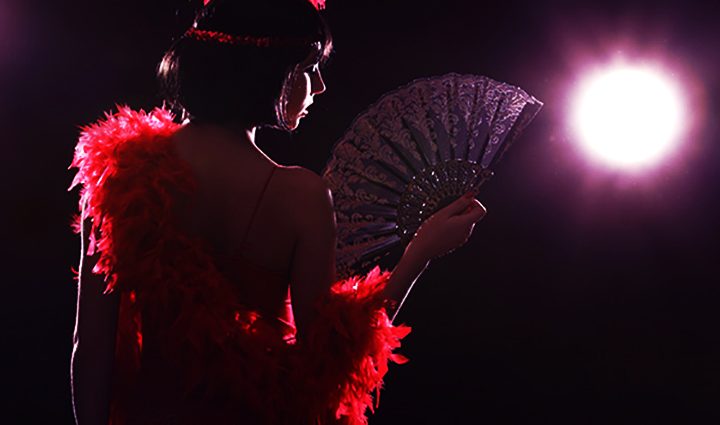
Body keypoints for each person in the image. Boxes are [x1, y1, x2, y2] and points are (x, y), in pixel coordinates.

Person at [70, 0, 487, 424]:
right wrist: (419, 254)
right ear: (268, 71)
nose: (320, 86)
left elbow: (91, 350)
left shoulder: (117, 174)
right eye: (309, 68)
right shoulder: (299, 197)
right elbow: (328, 365)